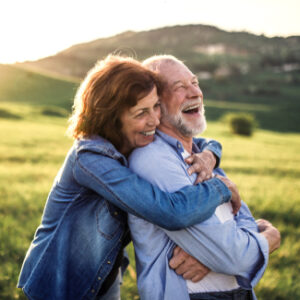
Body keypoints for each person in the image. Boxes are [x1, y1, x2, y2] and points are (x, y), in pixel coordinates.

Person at [17, 55, 239, 300]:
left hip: (105, 276)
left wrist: (210, 155)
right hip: (61, 285)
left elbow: (198, 141)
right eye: (141, 112)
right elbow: (170, 212)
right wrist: (221, 188)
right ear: (111, 117)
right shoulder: (89, 159)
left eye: (155, 106)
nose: (155, 120)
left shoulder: (130, 141)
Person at [128, 55, 281, 300]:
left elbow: (241, 222)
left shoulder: (202, 156)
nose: (195, 93)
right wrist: (270, 237)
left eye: (195, 82)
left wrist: (214, 257)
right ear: (155, 105)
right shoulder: (153, 160)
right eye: (179, 87)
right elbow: (233, 256)